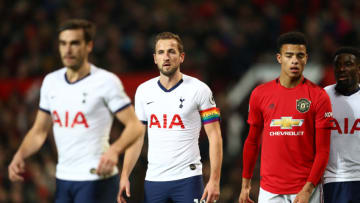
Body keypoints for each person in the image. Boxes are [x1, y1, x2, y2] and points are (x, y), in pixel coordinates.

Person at [8, 19, 145, 203]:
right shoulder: (51, 82)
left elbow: (135, 126)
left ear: (89, 46)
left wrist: (114, 150)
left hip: (97, 178)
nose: (68, 49)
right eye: (63, 43)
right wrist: (20, 154)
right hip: (64, 178)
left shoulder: (106, 82)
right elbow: (39, 131)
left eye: (74, 43)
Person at [117, 32, 223, 203]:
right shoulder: (143, 91)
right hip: (154, 180)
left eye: (171, 52)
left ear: (182, 57)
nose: (166, 57)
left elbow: (215, 136)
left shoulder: (200, 89)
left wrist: (214, 181)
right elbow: (137, 138)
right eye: (161, 52)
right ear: (154, 58)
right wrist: (124, 176)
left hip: (188, 179)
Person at [238, 32, 333, 203]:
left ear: (306, 58)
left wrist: (308, 189)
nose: (295, 60)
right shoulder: (260, 94)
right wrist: (245, 184)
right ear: (279, 58)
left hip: (305, 189)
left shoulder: (319, 96)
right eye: (289, 55)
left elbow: (323, 150)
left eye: (300, 55)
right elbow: (252, 141)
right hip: (270, 190)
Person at [323, 47, 360, 203]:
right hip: (334, 179)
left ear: (359, 68)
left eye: (348, 64)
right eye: (338, 65)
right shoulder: (323, 97)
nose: (342, 69)